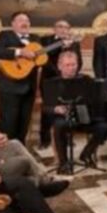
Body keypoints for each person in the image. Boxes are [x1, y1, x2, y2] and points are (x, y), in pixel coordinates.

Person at [43, 51, 107, 173]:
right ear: (59, 66)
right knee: (59, 125)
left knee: (103, 127)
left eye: (74, 64)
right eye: (68, 65)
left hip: (84, 117)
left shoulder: (86, 80)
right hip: (64, 118)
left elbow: (96, 99)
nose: (72, 68)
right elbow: (46, 108)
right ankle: (63, 163)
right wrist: (56, 109)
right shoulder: (50, 84)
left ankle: (86, 154)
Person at [0, 12, 40, 144]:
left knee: (24, 124)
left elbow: (42, 59)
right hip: (9, 87)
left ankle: (20, 153)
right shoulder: (5, 36)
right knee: (8, 124)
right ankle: (3, 155)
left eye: (27, 20)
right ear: (13, 24)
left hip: (29, 87)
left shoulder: (35, 38)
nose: (25, 22)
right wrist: (20, 52)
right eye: (20, 20)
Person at [38, 20, 83, 150]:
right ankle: (44, 140)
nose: (63, 29)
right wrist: (59, 72)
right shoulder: (46, 40)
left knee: (68, 108)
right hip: (49, 80)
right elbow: (44, 58)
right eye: (60, 27)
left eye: (66, 27)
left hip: (68, 81)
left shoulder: (74, 43)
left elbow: (78, 61)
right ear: (54, 29)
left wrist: (71, 72)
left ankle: (68, 138)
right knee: (48, 109)